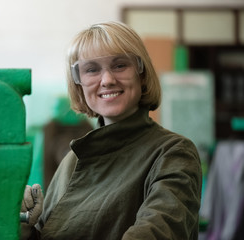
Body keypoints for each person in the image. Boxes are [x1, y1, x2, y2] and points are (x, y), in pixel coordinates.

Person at [21, 21, 202, 240]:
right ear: (79, 83)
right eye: (91, 70)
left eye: (119, 65)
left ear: (141, 73)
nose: (107, 80)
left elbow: (158, 232)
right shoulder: (72, 161)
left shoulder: (173, 152)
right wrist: (24, 227)